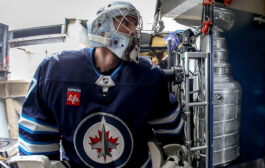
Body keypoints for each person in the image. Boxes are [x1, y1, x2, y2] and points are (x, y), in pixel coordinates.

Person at [17, 1, 184, 167]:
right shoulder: (54, 71)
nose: (134, 31)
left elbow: (171, 133)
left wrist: (172, 159)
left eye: (135, 25)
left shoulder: (150, 76)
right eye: (126, 23)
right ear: (101, 27)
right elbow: (37, 141)